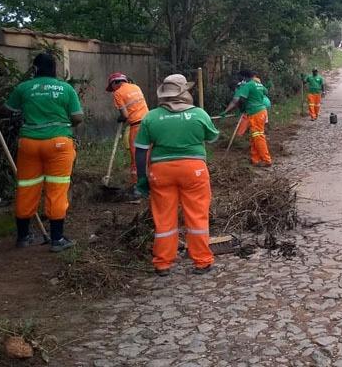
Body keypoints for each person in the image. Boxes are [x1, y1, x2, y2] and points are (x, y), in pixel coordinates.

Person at [134, 74, 219, 276]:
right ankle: (202, 261)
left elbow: (140, 150)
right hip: (194, 170)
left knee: (164, 218)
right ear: (185, 93)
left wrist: (141, 178)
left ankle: (162, 263)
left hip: (160, 172)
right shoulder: (199, 114)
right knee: (197, 215)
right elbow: (213, 137)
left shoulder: (151, 117)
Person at [0, 53, 83, 252]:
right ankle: (57, 239)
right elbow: (78, 117)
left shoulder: (24, 88)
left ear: (35, 69)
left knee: (27, 186)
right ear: (55, 69)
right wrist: (65, 125)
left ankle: (23, 237)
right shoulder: (65, 88)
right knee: (57, 189)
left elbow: (6, 111)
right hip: (58, 144)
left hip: (29, 143)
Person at [105, 72, 149, 184]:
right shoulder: (136, 87)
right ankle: (152, 186)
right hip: (149, 124)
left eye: (112, 87)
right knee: (148, 155)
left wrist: (121, 118)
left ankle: (137, 188)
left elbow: (125, 115)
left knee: (136, 158)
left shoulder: (118, 93)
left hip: (137, 126)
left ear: (115, 83)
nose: (113, 90)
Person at [223, 69, 272, 167]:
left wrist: (240, 108)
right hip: (261, 111)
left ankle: (267, 160)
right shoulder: (258, 84)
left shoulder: (248, 85)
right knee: (254, 136)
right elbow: (265, 91)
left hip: (256, 113)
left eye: (241, 78)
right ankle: (255, 159)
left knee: (258, 136)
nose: (241, 80)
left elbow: (240, 100)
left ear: (245, 77)